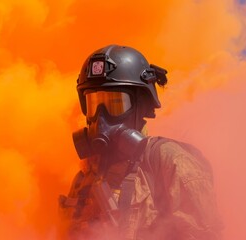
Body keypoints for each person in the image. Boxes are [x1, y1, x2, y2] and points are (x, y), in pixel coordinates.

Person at [59, 45, 223, 240]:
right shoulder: (86, 176)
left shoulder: (171, 161)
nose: (101, 119)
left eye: (115, 103)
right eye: (94, 104)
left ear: (141, 104)